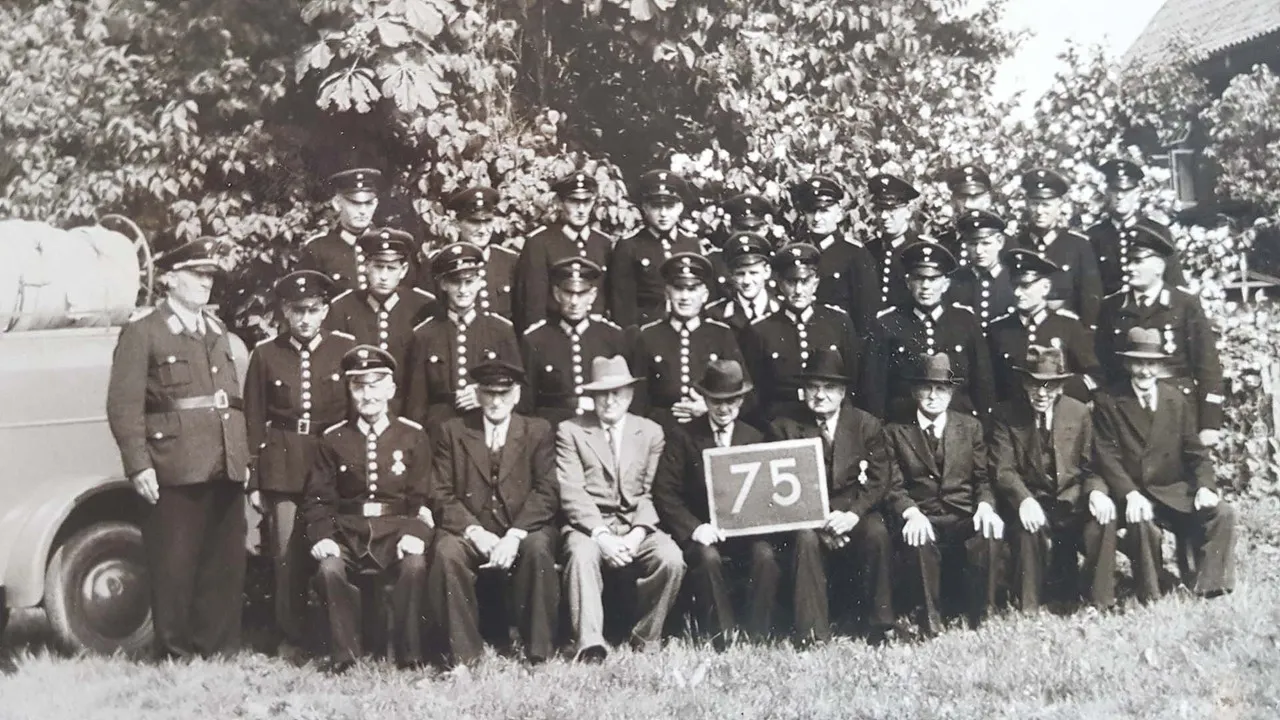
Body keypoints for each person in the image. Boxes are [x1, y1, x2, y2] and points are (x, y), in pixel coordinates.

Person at [106, 236, 249, 659]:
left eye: (209, 275)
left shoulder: (217, 330)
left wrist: (241, 457)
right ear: (170, 280)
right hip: (173, 464)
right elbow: (123, 405)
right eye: (196, 274)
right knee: (174, 564)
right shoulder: (143, 332)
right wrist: (138, 465)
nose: (206, 283)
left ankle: (217, 649)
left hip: (223, 461)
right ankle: (175, 653)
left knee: (222, 561)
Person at [653, 360, 824, 648]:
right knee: (708, 560)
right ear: (705, 399)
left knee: (765, 557)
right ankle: (724, 636)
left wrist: (760, 523)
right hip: (705, 531)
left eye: (731, 401)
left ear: (742, 400)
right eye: (716, 401)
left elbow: (769, 493)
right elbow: (665, 493)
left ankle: (757, 633)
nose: (723, 408)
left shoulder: (755, 437)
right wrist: (695, 529)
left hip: (747, 531)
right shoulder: (683, 436)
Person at [244, 270, 356, 657]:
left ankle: (337, 634)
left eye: (313, 309)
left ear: (325, 310)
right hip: (284, 463)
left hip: (332, 460)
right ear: (285, 313)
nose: (305, 318)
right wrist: (256, 479)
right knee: (287, 556)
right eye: (297, 311)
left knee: (336, 549)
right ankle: (292, 638)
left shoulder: (345, 349)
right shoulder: (265, 354)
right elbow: (255, 418)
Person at [302, 345, 433, 672]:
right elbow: (318, 497)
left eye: (375, 385)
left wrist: (416, 533)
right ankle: (345, 656)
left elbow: (425, 497)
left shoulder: (413, 435)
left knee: (415, 565)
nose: (368, 394)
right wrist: (322, 535)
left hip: (397, 530)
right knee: (330, 569)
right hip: (348, 532)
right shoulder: (333, 438)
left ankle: (409, 655)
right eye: (359, 386)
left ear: (390, 389)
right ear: (349, 390)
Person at [427, 360, 560, 667]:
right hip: (474, 528)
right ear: (477, 393)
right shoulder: (453, 431)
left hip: (522, 528)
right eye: (488, 393)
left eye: (504, 393)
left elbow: (547, 490)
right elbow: (441, 492)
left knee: (539, 548)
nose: (496, 401)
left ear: (517, 395)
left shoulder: (536, 430)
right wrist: (474, 531)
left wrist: (515, 535)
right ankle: (464, 656)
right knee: (447, 552)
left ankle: (538, 652)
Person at [557, 356, 685, 661]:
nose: (609, 400)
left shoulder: (650, 432)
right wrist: (602, 536)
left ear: (629, 395)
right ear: (592, 397)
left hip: (635, 524)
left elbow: (652, 492)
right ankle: (590, 644)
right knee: (581, 555)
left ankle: (646, 637)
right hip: (589, 526)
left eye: (616, 393)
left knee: (671, 559)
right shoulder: (571, 430)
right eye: (602, 394)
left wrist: (636, 535)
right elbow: (572, 491)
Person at [1093, 328, 1235, 602]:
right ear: (1127, 364)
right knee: (1143, 524)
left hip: (1173, 490)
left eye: (1151, 364)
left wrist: (1205, 486)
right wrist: (1130, 494)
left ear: (1160, 366)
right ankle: (1153, 592)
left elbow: (1196, 452)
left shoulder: (1175, 399)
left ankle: (1209, 588)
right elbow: (1107, 458)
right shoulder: (1108, 401)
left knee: (1223, 513)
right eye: (1138, 363)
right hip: (1134, 493)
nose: (1145, 371)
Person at [767, 349, 897, 646]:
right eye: (813, 387)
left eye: (829, 388)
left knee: (876, 533)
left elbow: (880, 479)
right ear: (804, 391)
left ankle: (880, 625)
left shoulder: (866, 424)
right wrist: (819, 521)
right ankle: (812, 633)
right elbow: (779, 488)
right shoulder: (783, 427)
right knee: (804, 539)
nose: (820, 395)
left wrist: (852, 515)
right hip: (807, 515)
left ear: (842, 393)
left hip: (853, 510)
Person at [990, 344, 1117, 612]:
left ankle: (1100, 602)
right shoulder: (1006, 415)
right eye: (1034, 384)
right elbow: (1004, 469)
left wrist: (1096, 492)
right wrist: (1023, 499)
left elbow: (1091, 465)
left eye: (1049, 385)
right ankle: (1028, 605)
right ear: (1024, 384)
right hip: (1034, 500)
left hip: (1071, 501)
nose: (1041, 393)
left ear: (1060, 386)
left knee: (1104, 519)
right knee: (1026, 527)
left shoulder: (1078, 412)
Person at [883, 353, 1003, 637]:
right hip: (923, 516)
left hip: (961, 515)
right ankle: (929, 619)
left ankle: (981, 616)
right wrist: (911, 513)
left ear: (951, 393)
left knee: (987, 533)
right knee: (918, 538)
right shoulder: (895, 432)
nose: (933, 396)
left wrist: (986, 506)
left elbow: (983, 479)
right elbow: (893, 485)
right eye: (926, 388)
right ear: (915, 391)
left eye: (941, 389)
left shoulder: (970, 428)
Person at [1095, 222, 1224, 446]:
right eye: (1129, 261)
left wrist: (1209, 424)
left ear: (1159, 267)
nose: (1129, 268)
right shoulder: (1112, 307)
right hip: (1126, 410)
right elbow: (1103, 365)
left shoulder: (1184, 304)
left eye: (1138, 261)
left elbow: (1207, 365)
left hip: (1177, 411)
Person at [861, 240, 996, 424]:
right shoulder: (888, 324)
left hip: (958, 423)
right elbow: (873, 389)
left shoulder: (965, 321)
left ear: (946, 284)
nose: (926, 286)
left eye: (933, 279)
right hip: (904, 426)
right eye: (919, 278)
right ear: (908, 282)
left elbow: (983, 382)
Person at [403, 242, 521, 432]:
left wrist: (482, 395)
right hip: (439, 428)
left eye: (469, 282)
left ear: (480, 282)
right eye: (455, 282)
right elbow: (416, 403)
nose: (463, 290)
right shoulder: (425, 334)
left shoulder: (500, 330)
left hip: (486, 426)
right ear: (443, 284)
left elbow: (517, 389)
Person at [741, 243, 860, 425]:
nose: (798, 290)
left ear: (815, 283)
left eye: (804, 282)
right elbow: (756, 392)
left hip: (833, 417)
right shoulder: (761, 330)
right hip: (781, 421)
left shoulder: (838, 322)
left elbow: (854, 378)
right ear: (780, 284)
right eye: (791, 282)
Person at [326, 228, 437, 412]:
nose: (384, 276)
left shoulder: (423, 306)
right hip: (356, 410)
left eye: (391, 268)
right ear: (366, 267)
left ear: (403, 271)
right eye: (378, 267)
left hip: (407, 411)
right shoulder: (342, 307)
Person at [633, 253, 746, 428]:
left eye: (692, 289)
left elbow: (745, 393)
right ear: (667, 293)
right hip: (662, 430)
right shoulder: (648, 336)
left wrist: (709, 409)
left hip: (709, 429)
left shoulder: (721, 334)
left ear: (705, 295)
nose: (685, 297)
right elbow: (638, 400)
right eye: (678, 289)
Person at [520, 257, 629, 425]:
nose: (574, 302)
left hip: (599, 429)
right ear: (557, 293)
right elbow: (527, 403)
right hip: (552, 429)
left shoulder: (612, 337)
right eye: (568, 293)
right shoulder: (536, 339)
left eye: (581, 293)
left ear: (592, 295)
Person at [985, 249, 1100, 405]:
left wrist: (1057, 389)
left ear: (1045, 287)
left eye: (1025, 286)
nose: (1018, 293)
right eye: (1014, 285)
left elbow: (1092, 375)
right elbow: (989, 381)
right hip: (1013, 418)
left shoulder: (1068, 326)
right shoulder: (999, 329)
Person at [513, 170, 613, 332]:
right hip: (555, 336)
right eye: (573, 201)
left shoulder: (603, 243)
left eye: (586, 202)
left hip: (595, 339)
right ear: (559, 202)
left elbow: (607, 299)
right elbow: (533, 306)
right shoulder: (540, 243)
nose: (581, 209)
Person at [608, 169, 702, 328]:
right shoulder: (629, 246)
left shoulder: (690, 243)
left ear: (679, 207)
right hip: (646, 331)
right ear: (645, 207)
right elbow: (622, 305)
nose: (663, 213)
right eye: (656, 206)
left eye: (669, 206)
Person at [1011, 168, 1102, 329]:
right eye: (1034, 204)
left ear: (1060, 204)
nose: (1039, 211)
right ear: (1026, 203)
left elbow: (1090, 302)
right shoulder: (1015, 244)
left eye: (1046, 204)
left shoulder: (1079, 246)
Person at [790, 176, 879, 335]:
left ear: (838, 214)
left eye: (824, 211)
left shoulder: (855, 253)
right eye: (811, 211)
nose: (817, 218)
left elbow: (867, 314)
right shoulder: (794, 250)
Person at [1086, 158, 1185, 296]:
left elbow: (1175, 282)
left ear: (1137, 193)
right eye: (1115, 190)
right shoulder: (1093, 236)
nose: (1120, 196)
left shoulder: (1157, 232)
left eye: (1126, 191)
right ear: (1107, 192)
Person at [426, 186, 519, 319]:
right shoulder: (438, 262)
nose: (482, 230)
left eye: (487, 221)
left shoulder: (510, 261)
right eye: (474, 222)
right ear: (457, 224)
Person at [299, 167, 384, 292]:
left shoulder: (392, 245)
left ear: (376, 204)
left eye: (368, 203)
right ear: (337, 203)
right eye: (355, 203)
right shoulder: (317, 250)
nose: (362, 211)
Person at [945, 209, 1015, 332]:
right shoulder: (955, 281)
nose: (979, 251)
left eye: (986, 243)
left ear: (1000, 242)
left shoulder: (1014, 280)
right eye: (972, 244)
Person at [863, 173, 922, 316]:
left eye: (891, 209)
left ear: (908, 211)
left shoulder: (920, 250)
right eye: (879, 209)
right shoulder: (868, 250)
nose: (883, 216)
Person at [704, 231, 780, 339]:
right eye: (740, 274)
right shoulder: (716, 314)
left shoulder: (781, 310)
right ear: (731, 275)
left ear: (767, 272)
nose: (747, 281)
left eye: (754, 273)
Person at [706, 192, 776, 298]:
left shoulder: (777, 262)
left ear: (765, 230)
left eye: (755, 229)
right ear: (729, 228)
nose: (748, 234)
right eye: (742, 228)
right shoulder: (713, 263)